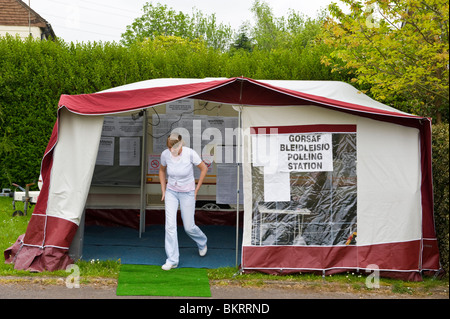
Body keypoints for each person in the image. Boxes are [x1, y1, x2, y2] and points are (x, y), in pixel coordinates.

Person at [159, 133, 208, 270]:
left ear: (180, 144)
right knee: (170, 226)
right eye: (169, 148)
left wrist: (196, 190)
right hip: (171, 192)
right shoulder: (165, 155)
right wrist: (163, 190)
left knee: (189, 226)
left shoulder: (190, 153)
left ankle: (202, 242)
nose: (172, 151)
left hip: (187, 192)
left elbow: (204, 168)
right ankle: (172, 260)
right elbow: (162, 171)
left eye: (174, 148)